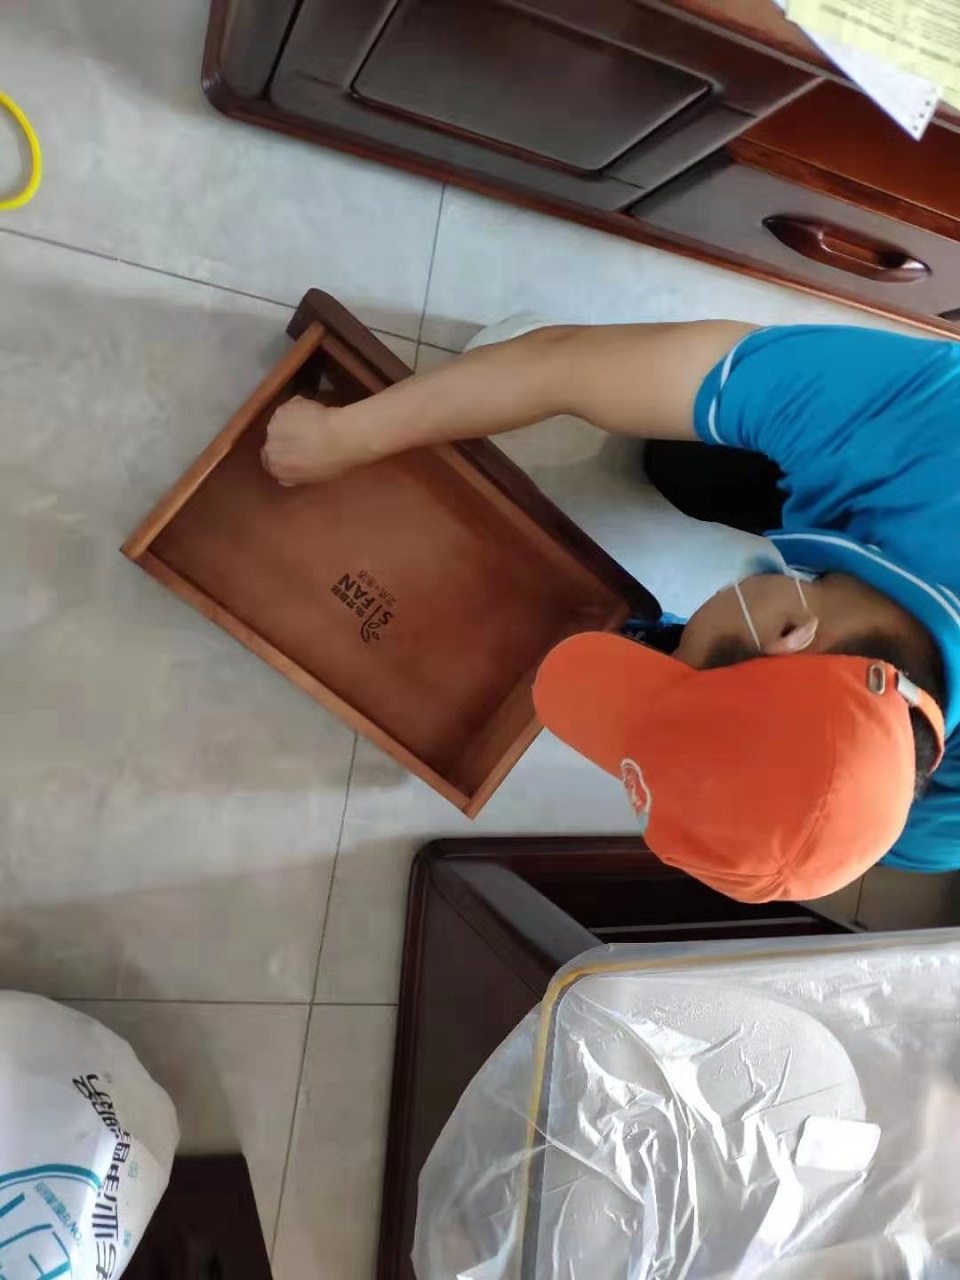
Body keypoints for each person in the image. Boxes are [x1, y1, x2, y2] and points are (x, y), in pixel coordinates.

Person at [261, 319, 960, 884]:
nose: (664, 646)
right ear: (787, 627)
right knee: (680, 460)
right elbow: (562, 362)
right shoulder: (914, 426)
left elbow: (800, 802)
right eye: (680, 652)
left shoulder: (925, 833)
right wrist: (340, 437)